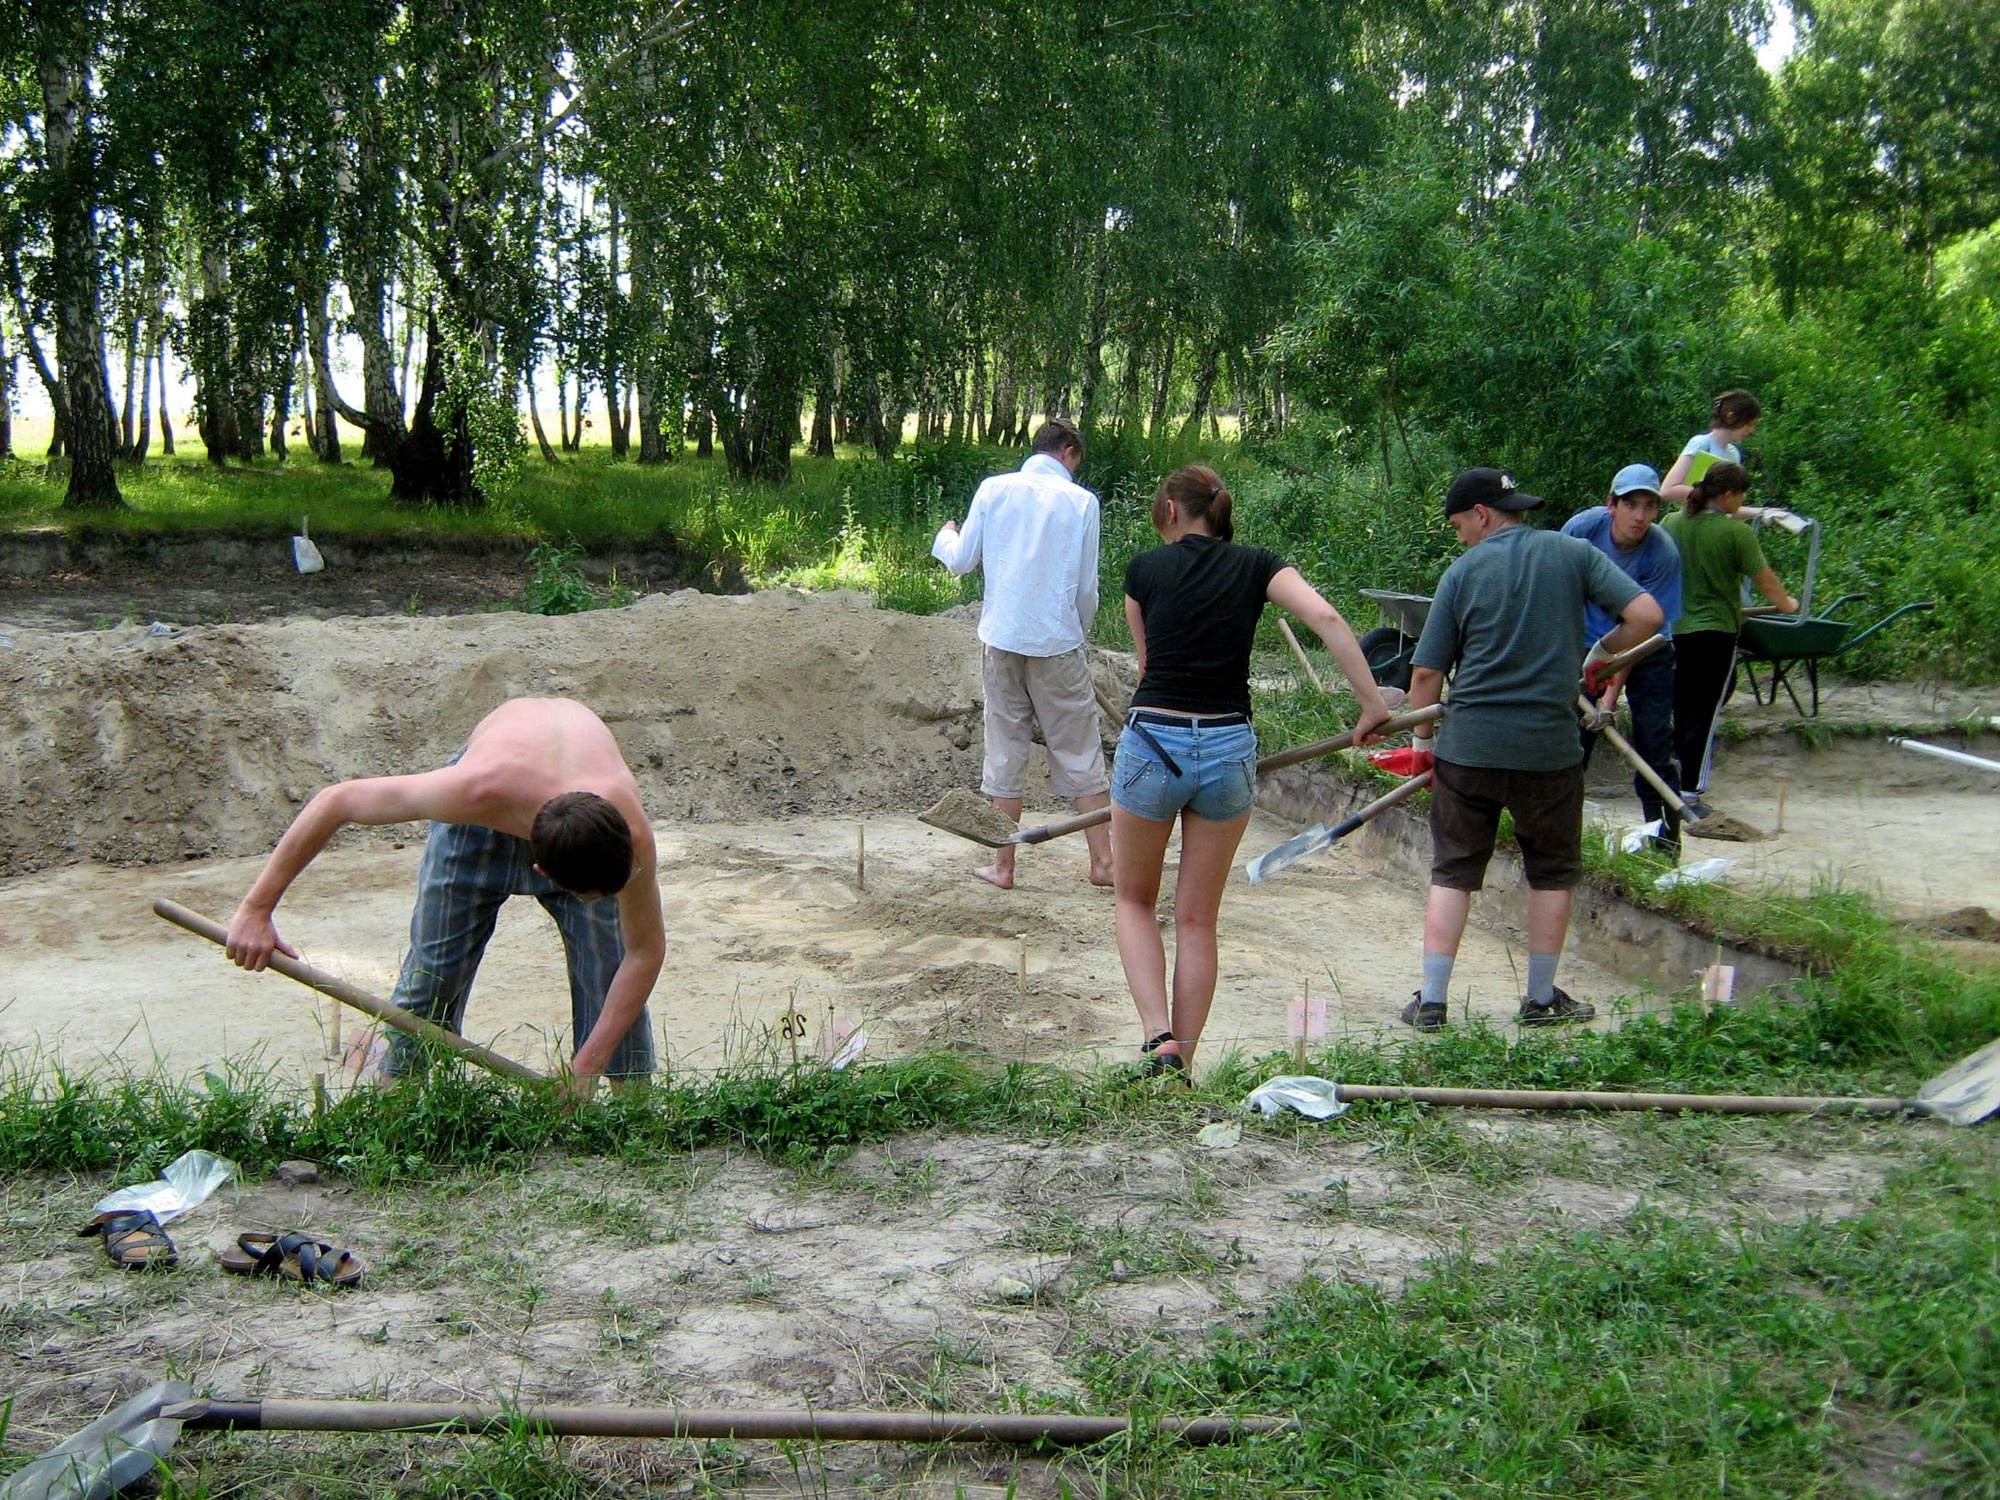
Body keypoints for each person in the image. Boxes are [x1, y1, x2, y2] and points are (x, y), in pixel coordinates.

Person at [224, 698, 666, 1096]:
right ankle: (396, 1117)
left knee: (610, 968)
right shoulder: (470, 791)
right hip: (486, 811)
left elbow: (644, 951)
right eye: (583, 896)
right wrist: (256, 910)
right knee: (433, 976)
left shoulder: (626, 834)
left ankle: (634, 1125)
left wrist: (584, 1067)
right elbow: (336, 801)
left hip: (578, 818)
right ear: (543, 872)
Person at [1114, 465, 1392, 1076]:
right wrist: (1372, 704)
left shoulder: (1142, 572)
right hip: (1226, 748)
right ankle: (1182, 1062)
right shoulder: (1259, 564)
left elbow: (1146, 666)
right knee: (1196, 917)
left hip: (1152, 745)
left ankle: (1157, 1038)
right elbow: (1329, 621)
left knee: (1135, 902)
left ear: (1169, 509)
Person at [1402, 468, 1664, 1032]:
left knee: (1453, 870)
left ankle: (1432, 1002)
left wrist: (1422, 746)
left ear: (1480, 513)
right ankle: (1541, 999)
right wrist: (1600, 655)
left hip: (1469, 749)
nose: (1460, 537)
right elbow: (1646, 617)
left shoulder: (1463, 571)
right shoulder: (1573, 554)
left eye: (1459, 526)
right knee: (1551, 871)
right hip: (1549, 750)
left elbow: (1427, 674)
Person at [931, 417, 1113, 890]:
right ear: (1070, 452)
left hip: (1003, 640)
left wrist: (944, 535)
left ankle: (1002, 866)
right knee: (1078, 749)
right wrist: (1079, 634)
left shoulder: (994, 489)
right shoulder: (1082, 502)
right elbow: (1087, 588)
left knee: (1006, 750)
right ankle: (1104, 864)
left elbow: (959, 559)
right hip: (1057, 643)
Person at [1660, 461, 1800, 814]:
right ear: (1728, 495)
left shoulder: (1671, 523)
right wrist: (1787, 604)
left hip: (1674, 632)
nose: (1741, 504)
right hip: (1715, 633)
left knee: (1679, 707)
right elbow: (1766, 581)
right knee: (1703, 715)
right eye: (1740, 497)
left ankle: (1667, 781)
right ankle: (1690, 792)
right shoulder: (1736, 533)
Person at [1561, 463, 1685, 853]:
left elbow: (1642, 629)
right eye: (1631, 505)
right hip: (1585, 641)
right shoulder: (1582, 531)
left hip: (1645, 648)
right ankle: (1560, 836)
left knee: (1654, 740)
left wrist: (1609, 700)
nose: (1640, 516)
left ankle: (1664, 845)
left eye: (1650, 507)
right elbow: (1558, 590)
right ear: (1611, 504)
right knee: (1570, 739)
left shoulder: (1662, 552)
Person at [1661, 389, 1760, 506]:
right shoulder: (1701, 443)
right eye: (1749, 424)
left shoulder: (1734, 454)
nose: (1751, 431)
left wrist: (1763, 512)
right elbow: (1667, 490)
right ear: (1731, 417)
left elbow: (1727, 508)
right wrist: (1711, 497)